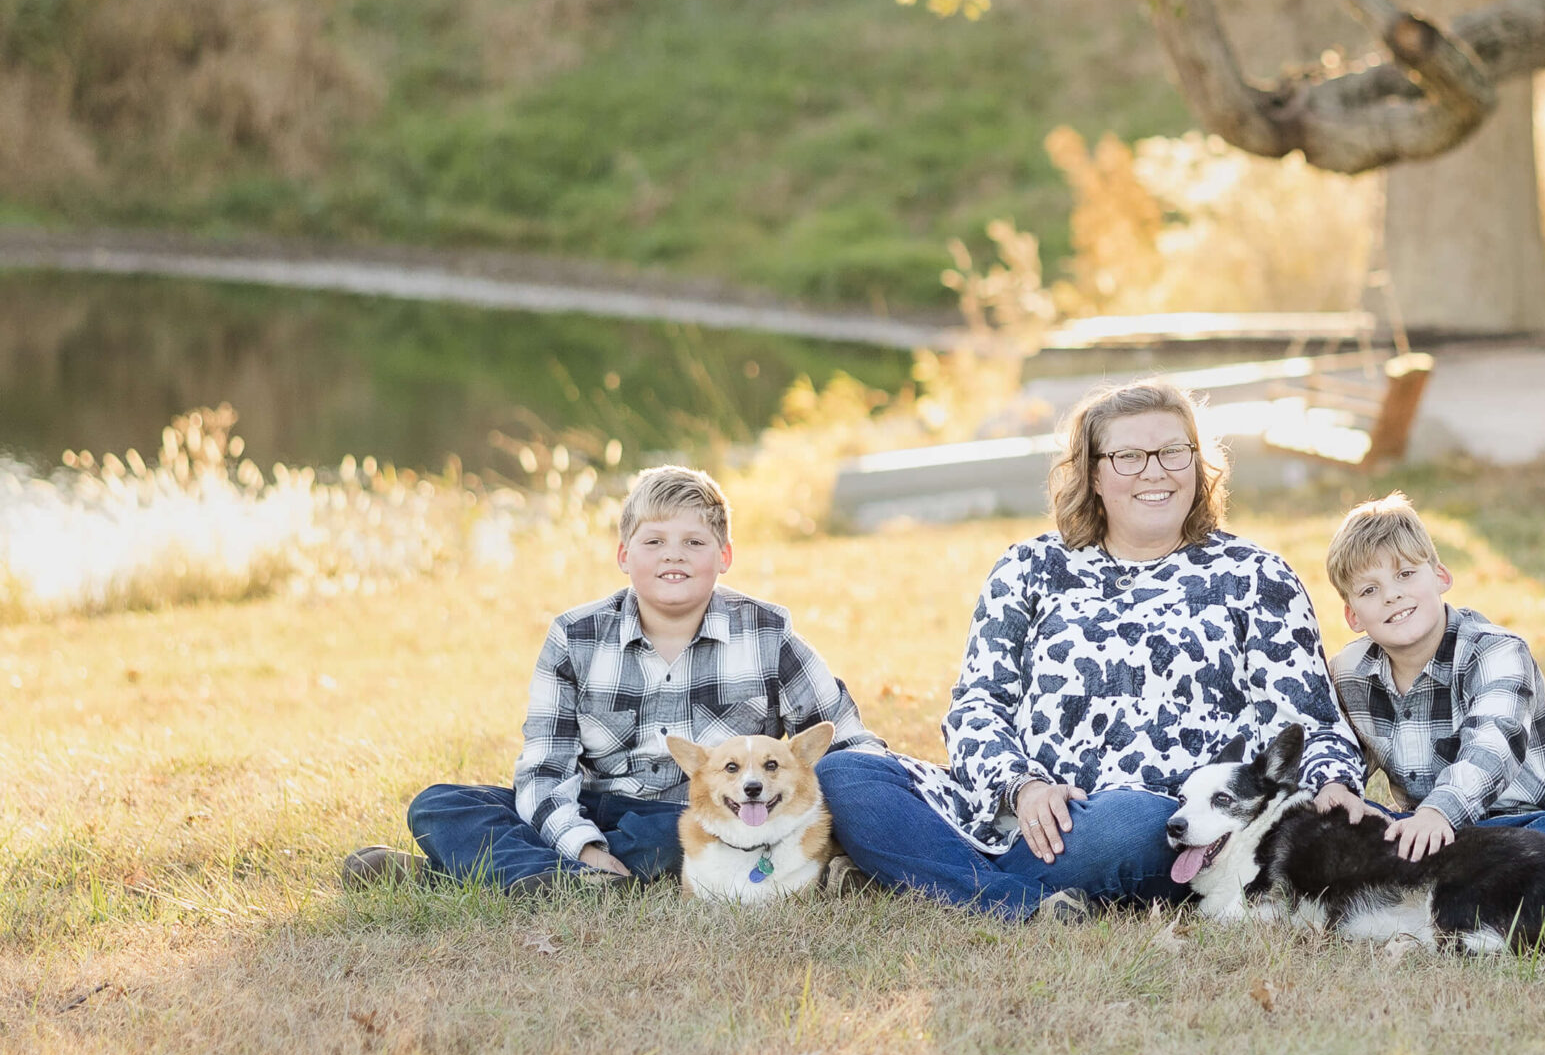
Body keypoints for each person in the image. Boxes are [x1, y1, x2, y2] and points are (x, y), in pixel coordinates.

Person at [818, 378, 1370, 919]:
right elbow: (977, 707)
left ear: (1198, 466)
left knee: (1127, 822)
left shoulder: (1255, 576)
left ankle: (932, 877)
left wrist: (1336, 783)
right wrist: (1023, 786)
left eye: (1174, 452)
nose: (1155, 471)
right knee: (848, 775)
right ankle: (1019, 901)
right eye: (1128, 456)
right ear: (1094, 474)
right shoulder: (1029, 568)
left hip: (1163, 824)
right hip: (1008, 814)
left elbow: (1309, 720)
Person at [340, 462, 884, 893]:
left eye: (694, 543)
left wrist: (871, 805)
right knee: (440, 804)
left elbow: (842, 736)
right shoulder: (575, 637)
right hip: (594, 805)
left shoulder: (767, 632)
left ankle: (468, 876)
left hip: (697, 818)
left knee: (671, 839)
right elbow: (545, 767)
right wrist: (582, 844)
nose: (674, 555)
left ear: (725, 556)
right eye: (654, 542)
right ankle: (576, 876)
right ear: (624, 555)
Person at [1325, 491, 1545, 880]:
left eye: (1405, 574)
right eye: (1369, 590)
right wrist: (1333, 786)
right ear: (1353, 615)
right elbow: (1333, 744)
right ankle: (1474, 889)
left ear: (1441, 577)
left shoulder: (1496, 651)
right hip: (1422, 837)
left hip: (1524, 833)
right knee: (1330, 826)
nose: (1392, 595)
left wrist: (1438, 811)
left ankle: (1440, 883)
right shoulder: (1349, 671)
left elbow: (1493, 744)